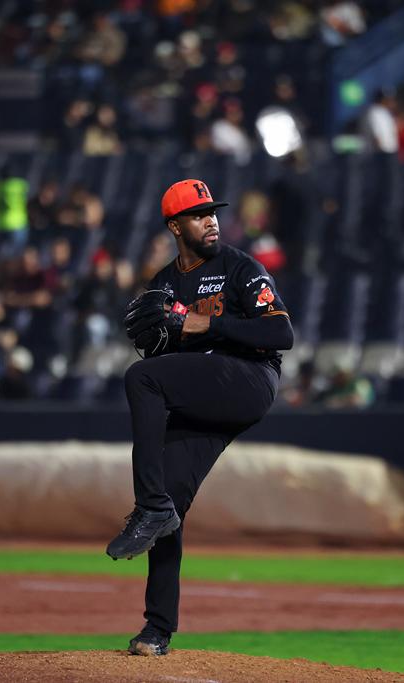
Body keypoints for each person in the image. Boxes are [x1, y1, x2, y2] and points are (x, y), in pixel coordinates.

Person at [106, 179, 293, 656]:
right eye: (197, 213)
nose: (210, 219)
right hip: (204, 391)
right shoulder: (164, 283)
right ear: (175, 226)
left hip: (251, 378)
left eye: (212, 211)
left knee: (142, 379)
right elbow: (156, 343)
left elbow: (282, 332)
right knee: (171, 506)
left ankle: (148, 506)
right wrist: (161, 337)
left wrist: (204, 323)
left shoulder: (238, 266)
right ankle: (157, 628)